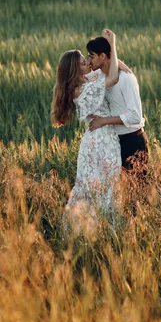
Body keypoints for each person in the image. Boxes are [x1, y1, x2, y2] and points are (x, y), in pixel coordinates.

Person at [51, 30, 123, 235]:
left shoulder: (85, 82)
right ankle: (92, 232)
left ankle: (97, 231)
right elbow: (114, 76)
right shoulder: (82, 89)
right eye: (84, 62)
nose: (88, 63)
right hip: (100, 142)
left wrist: (109, 57)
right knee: (99, 186)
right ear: (76, 69)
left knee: (101, 186)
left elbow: (110, 68)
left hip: (101, 138)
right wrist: (112, 45)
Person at [86, 36, 148, 178]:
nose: (89, 61)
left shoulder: (126, 78)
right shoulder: (99, 76)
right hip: (114, 143)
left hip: (133, 142)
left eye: (92, 56)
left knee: (138, 192)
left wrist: (103, 121)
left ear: (102, 56)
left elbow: (135, 116)